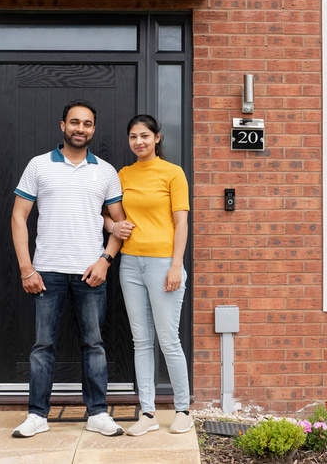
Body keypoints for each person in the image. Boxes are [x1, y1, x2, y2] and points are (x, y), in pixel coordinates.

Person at [10, 99, 125, 438]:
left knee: (94, 344)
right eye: (75, 122)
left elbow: (121, 225)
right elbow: (18, 217)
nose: (80, 128)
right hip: (46, 272)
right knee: (43, 345)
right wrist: (26, 268)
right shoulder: (38, 165)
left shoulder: (105, 171)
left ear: (93, 129)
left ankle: (98, 413)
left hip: (91, 272)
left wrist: (106, 261)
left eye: (87, 124)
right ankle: (37, 415)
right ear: (63, 125)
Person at [107, 114, 193, 436]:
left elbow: (181, 223)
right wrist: (114, 226)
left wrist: (176, 265)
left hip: (162, 264)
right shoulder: (123, 174)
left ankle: (183, 409)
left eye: (144, 136)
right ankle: (148, 413)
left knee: (169, 340)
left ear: (157, 138)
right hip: (130, 263)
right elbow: (108, 217)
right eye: (133, 137)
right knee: (141, 341)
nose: (138, 142)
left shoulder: (173, 173)